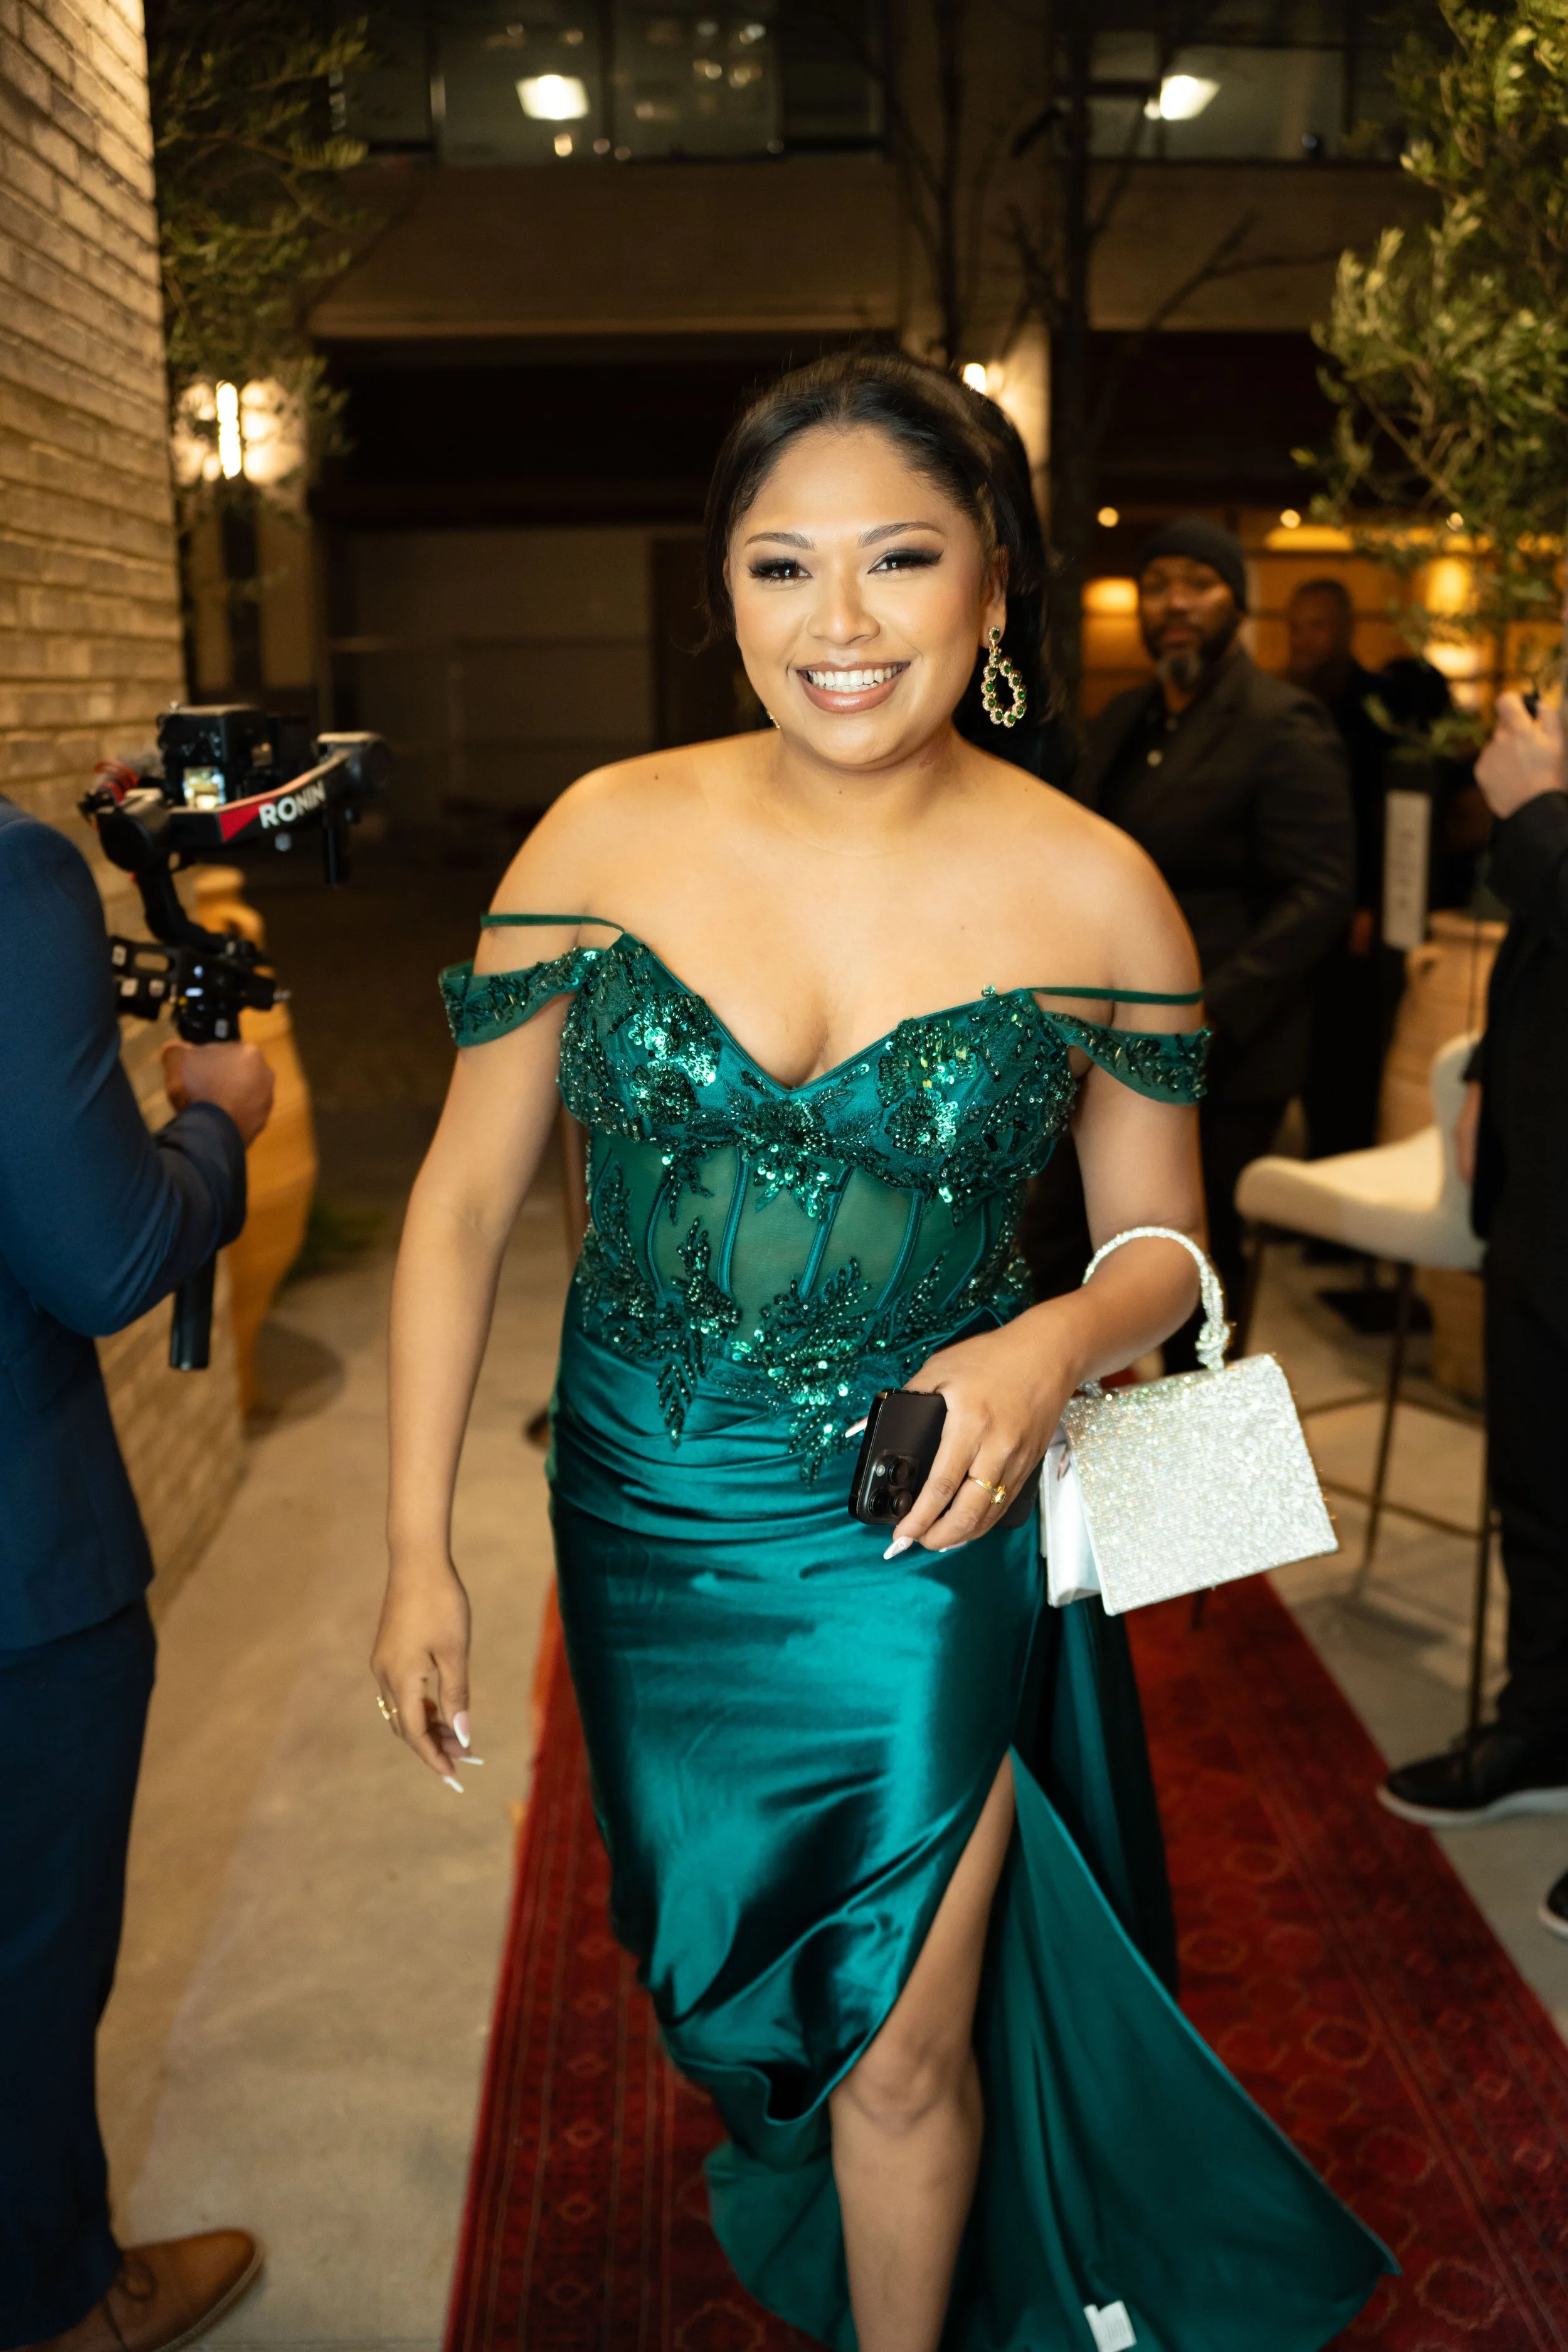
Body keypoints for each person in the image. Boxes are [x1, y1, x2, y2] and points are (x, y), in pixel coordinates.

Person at [373, 354, 1390, 2352]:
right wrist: (416, 1542)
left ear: (992, 589)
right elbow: (461, 1201)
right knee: (737, 1991)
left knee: (904, 2046)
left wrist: (1048, 1338)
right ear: (724, 595)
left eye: (897, 559)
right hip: (644, 1511)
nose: (835, 626)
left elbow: (1163, 1249)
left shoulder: (1093, 884)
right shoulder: (595, 833)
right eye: (779, 568)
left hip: (923, 1506)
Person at [0, 799, 272, 2352]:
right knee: (25, 1974)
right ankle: (60, 2302)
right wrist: (215, 1118)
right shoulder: (12, 875)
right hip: (17, 1575)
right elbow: (106, 1253)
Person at [1378, 693, 1568, 1948]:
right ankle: (1542, 1730)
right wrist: (1496, 1068)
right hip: (1545, 1171)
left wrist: (1538, 816)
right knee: (1541, 1488)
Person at [1073, 518, 1354, 1365]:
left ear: (1236, 601)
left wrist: (1209, 1011)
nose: (1175, 603)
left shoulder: (1281, 721)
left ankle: (1211, 1468)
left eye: (1197, 583)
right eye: (1156, 585)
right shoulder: (1126, 718)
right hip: (1112, 1041)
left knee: (1206, 1272)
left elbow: (1321, 892)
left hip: (1228, 1045)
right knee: (1104, 1250)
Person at [1286, 577, 1407, 1160]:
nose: (1304, 639)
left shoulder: (1372, 707)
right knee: (1310, 1055)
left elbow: (1377, 813)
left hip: (1357, 911)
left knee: (1350, 1051)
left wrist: (1368, 903)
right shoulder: (1291, 700)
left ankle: (1341, 1171)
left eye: (1317, 626)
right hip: (1305, 904)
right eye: (1296, 626)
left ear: (1344, 631)